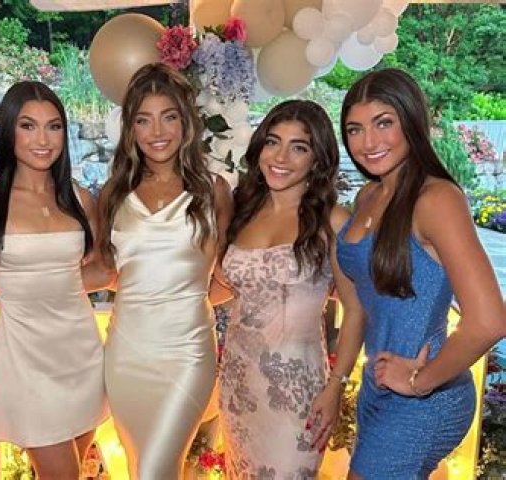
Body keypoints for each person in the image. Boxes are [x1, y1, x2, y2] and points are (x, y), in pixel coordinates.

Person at [337, 68, 506, 478]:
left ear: (411, 121)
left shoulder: (436, 199)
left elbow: (489, 321)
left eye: (383, 123)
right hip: (379, 385)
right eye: (355, 129)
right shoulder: (369, 194)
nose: (368, 142)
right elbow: (365, 295)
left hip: (424, 397)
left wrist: (420, 380)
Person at [97, 62, 232, 479]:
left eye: (168, 117)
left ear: (186, 122)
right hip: (126, 353)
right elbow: (106, 271)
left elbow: (230, 276)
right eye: (144, 119)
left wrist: (187, 303)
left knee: (156, 468)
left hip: (187, 353)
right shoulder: (113, 194)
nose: (157, 131)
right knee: (140, 466)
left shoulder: (213, 191)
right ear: (130, 128)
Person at [0, 80, 109, 479]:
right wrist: (12, 292)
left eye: (54, 126)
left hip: (81, 352)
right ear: (8, 131)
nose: (43, 140)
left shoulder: (80, 199)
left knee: (71, 469)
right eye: (28, 126)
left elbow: (101, 268)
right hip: (25, 357)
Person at [218, 100, 364, 478]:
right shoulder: (242, 210)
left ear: (317, 160)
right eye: (273, 142)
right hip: (238, 383)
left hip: (297, 392)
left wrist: (336, 386)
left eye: (298, 147)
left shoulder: (333, 221)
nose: (280, 157)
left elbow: (356, 309)